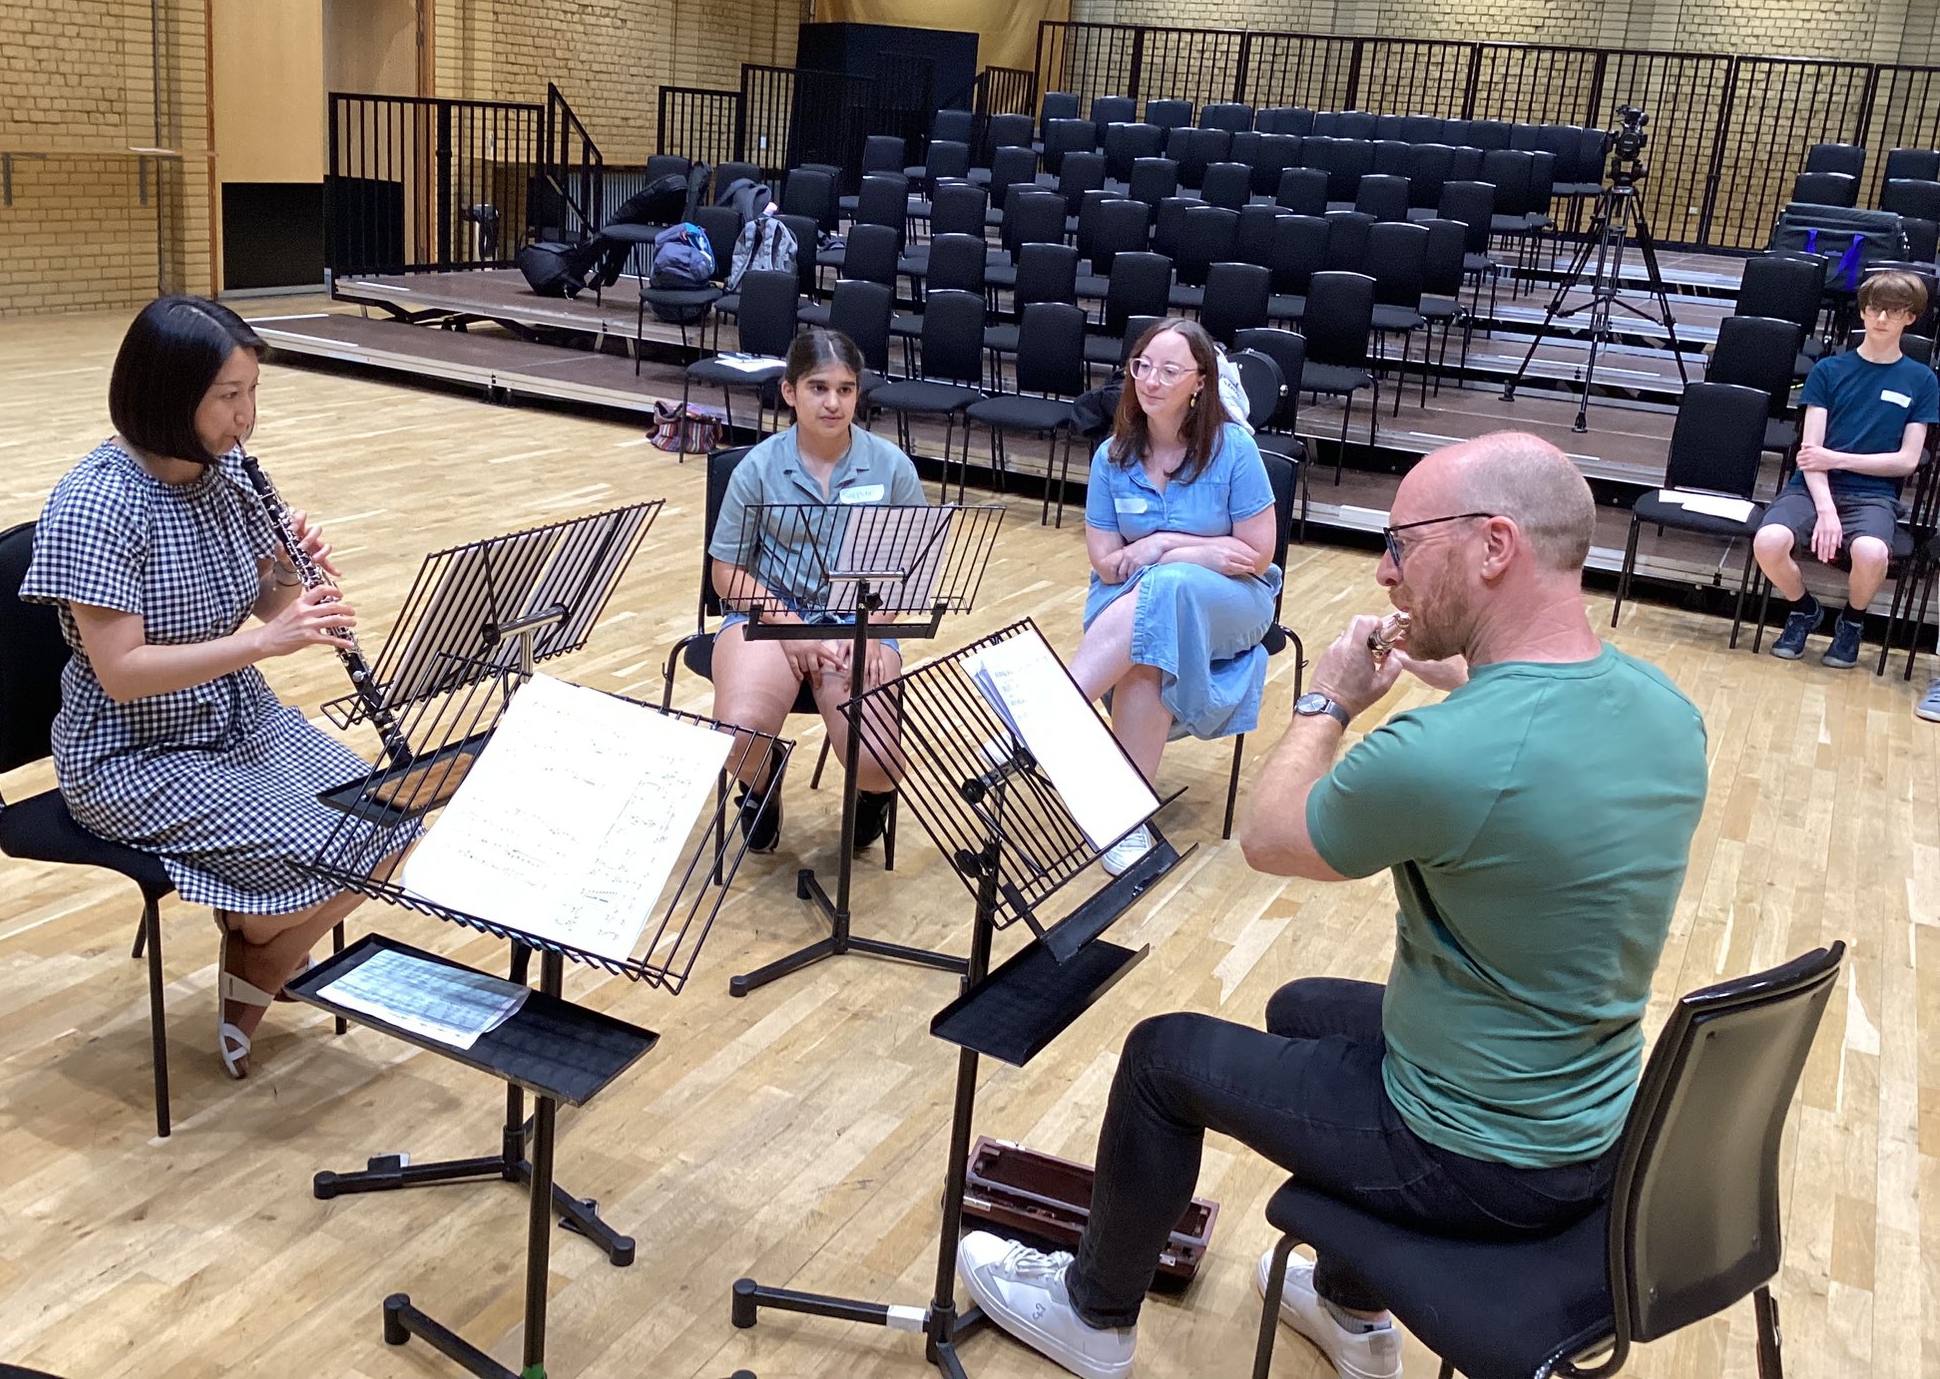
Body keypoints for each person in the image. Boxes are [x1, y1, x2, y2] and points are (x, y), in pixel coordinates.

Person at [955, 433, 1709, 1379]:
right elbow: (1531, 745)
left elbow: (1271, 838)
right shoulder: (1661, 707)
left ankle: (1092, 1317)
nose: (1387, 573)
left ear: (1494, 546)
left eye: (1405, 544)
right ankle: (1353, 1306)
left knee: (1161, 1058)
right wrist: (1466, 672)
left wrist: (1329, 701)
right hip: (1588, 1129)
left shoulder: (1447, 754)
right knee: (1304, 1008)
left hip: (1470, 1158)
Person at [22, 296, 409, 1081]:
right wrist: (265, 643)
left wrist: (287, 573)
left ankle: (259, 948)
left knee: (394, 817)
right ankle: (261, 954)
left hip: (233, 717)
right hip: (132, 753)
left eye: (252, 391)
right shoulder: (97, 504)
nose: (246, 417)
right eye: (228, 396)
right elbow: (121, 673)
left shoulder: (225, 472)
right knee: (331, 846)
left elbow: (263, 601)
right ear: (169, 395)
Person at [1069, 318, 1279, 872]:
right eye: (1142, 366)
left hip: (1234, 600)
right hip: (1127, 602)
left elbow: (1255, 555)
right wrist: (1194, 549)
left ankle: (1055, 710)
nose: (1150, 380)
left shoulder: (1233, 449)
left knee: (1168, 585)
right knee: (1151, 641)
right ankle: (1124, 817)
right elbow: (1108, 563)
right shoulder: (1111, 456)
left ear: (1199, 382)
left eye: (1168, 370)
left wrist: (1167, 549)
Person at [706, 327, 928, 851]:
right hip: (769, 616)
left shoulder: (892, 467)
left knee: (879, 761)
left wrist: (869, 631)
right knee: (738, 737)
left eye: (845, 389)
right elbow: (727, 573)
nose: (833, 403)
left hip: (856, 620)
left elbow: (911, 572)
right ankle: (761, 787)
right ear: (790, 391)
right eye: (818, 388)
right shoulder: (757, 467)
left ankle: (871, 797)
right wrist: (791, 628)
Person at [1751, 268, 1937, 668]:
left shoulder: (1922, 380)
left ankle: (1852, 621)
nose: (1881, 318)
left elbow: (1907, 460)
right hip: (1811, 488)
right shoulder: (1828, 371)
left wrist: (1837, 459)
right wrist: (1826, 510)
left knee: (1871, 552)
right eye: (1874, 308)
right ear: (1863, 312)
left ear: (1910, 317)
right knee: (1768, 541)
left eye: (1893, 311)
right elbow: (1810, 454)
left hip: (1873, 494)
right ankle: (1803, 609)